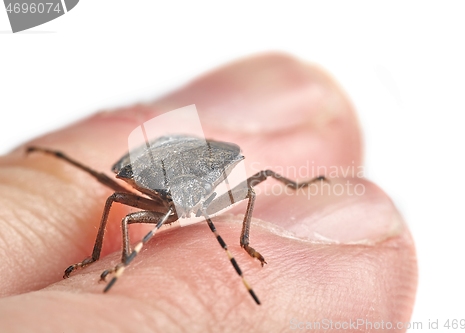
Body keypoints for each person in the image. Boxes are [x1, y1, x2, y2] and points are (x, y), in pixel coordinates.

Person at [0, 53, 417, 331]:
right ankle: (96, 254)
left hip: (197, 170)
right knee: (122, 208)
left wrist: (242, 240)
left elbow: (254, 179)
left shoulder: (207, 185)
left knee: (260, 179)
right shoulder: (147, 196)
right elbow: (124, 203)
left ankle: (247, 242)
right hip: (162, 179)